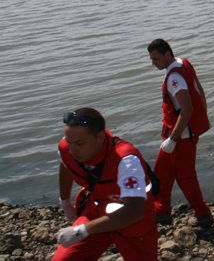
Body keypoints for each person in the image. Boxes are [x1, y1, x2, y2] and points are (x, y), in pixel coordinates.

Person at [52, 108, 157, 261]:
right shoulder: (67, 149)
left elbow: (135, 210)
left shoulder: (125, 160)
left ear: (100, 137)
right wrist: (65, 201)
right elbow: (66, 164)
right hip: (97, 209)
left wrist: (81, 230)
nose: (72, 149)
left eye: (80, 143)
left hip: (132, 219)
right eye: (69, 142)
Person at [147, 38, 213, 228]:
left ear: (167, 54)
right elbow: (199, 91)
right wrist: (203, 116)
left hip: (181, 137)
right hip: (180, 133)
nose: (153, 63)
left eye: (156, 59)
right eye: (152, 59)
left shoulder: (174, 78)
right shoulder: (183, 62)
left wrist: (173, 139)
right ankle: (162, 211)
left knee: (185, 177)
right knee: (161, 173)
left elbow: (187, 109)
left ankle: (203, 215)